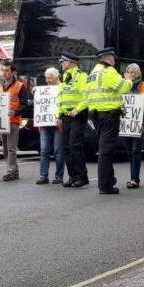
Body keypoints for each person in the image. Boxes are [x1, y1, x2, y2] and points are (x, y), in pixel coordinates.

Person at [85, 47, 131, 194]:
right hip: (109, 115)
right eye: (113, 57)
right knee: (106, 151)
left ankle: (109, 179)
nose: (114, 59)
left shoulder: (92, 73)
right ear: (109, 57)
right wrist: (129, 80)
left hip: (96, 115)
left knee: (104, 148)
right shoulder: (109, 71)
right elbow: (123, 88)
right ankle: (105, 185)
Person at [56, 52, 90, 188]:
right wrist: (58, 115)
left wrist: (78, 108)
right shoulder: (64, 77)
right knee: (66, 148)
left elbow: (87, 96)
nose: (61, 64)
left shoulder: (82, 76)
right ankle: (72, 176)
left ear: (70, 62)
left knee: (75, 145)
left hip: (77, 115)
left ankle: (82, 177)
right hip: (65, 116)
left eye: (63, 62)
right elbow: (61, 98)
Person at [0, 60, 32, 181]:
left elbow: (25, 105)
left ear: (13, 72)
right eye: (3, 70)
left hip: (13, 121)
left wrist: (15, 112)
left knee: (11, 148)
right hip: (2, 122)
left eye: (7, 71)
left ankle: (10, 171)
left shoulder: (20, 86)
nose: (4, 73)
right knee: (6, 149)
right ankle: (14, 171)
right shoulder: (0, 87)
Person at [37, 67, 65, 185]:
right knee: (44, 150)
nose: (47, 81)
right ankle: (43, 176)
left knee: (58, 151)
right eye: (46, 78)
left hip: (57, 124)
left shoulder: (63, 88)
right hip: (45, 124)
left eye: (50, 78)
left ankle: (59, 176)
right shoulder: (44, 90)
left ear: (56, 77)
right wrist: (36, 93)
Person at [124, 63, 144, 189]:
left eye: (132, 72)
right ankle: (133, 176)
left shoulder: (143, 86)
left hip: (137, 124)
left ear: (138, 74)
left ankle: (134, 179)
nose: (130, 74)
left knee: (135, 151)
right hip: (126, 124)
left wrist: (143, 123)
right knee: (129, 152)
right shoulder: (124, 85)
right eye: (128, 72)